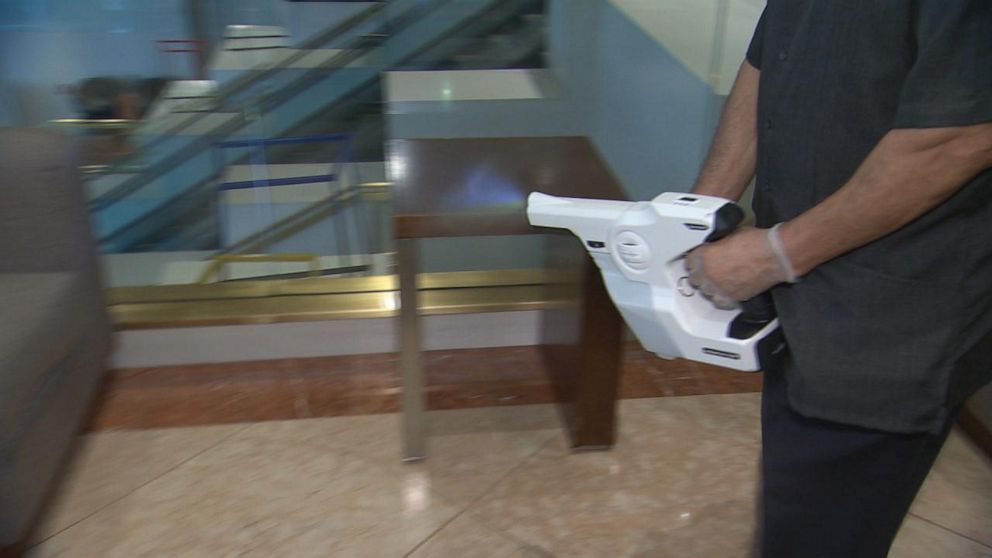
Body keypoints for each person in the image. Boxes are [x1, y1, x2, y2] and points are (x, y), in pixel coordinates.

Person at [684, 2, 992, 557]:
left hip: (891, 316)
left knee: (822, 530)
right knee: (795, 500)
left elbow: (962, 135)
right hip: (803, 291)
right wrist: (697, 214)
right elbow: (770, 56)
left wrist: (775, 254)